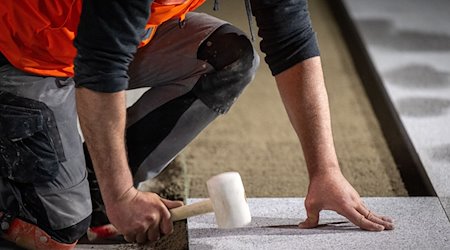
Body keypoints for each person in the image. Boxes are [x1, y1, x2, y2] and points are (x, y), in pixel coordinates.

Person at [0, 0, 393, 248]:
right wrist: (121, 194)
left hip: (108, 38)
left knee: (229, 58)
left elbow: (291, 39)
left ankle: (96, 192)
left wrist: (324, 170)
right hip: (25, 48)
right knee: (58, 230)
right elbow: (100, 69)